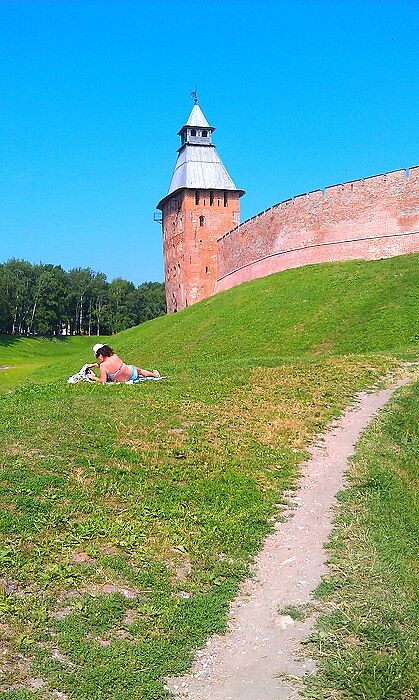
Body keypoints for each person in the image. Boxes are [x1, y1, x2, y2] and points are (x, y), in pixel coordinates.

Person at [88, 343, 161, 384]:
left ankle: (154, 374)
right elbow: (110, 364)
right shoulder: (114, 356)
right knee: (140, 371)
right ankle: (154, 374)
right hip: (132, 373)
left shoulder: (103, 366)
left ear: (100, 355)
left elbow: (103, 381)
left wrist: (93, 377)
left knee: (138, 370)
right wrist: (94, 365)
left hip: (124, 380)